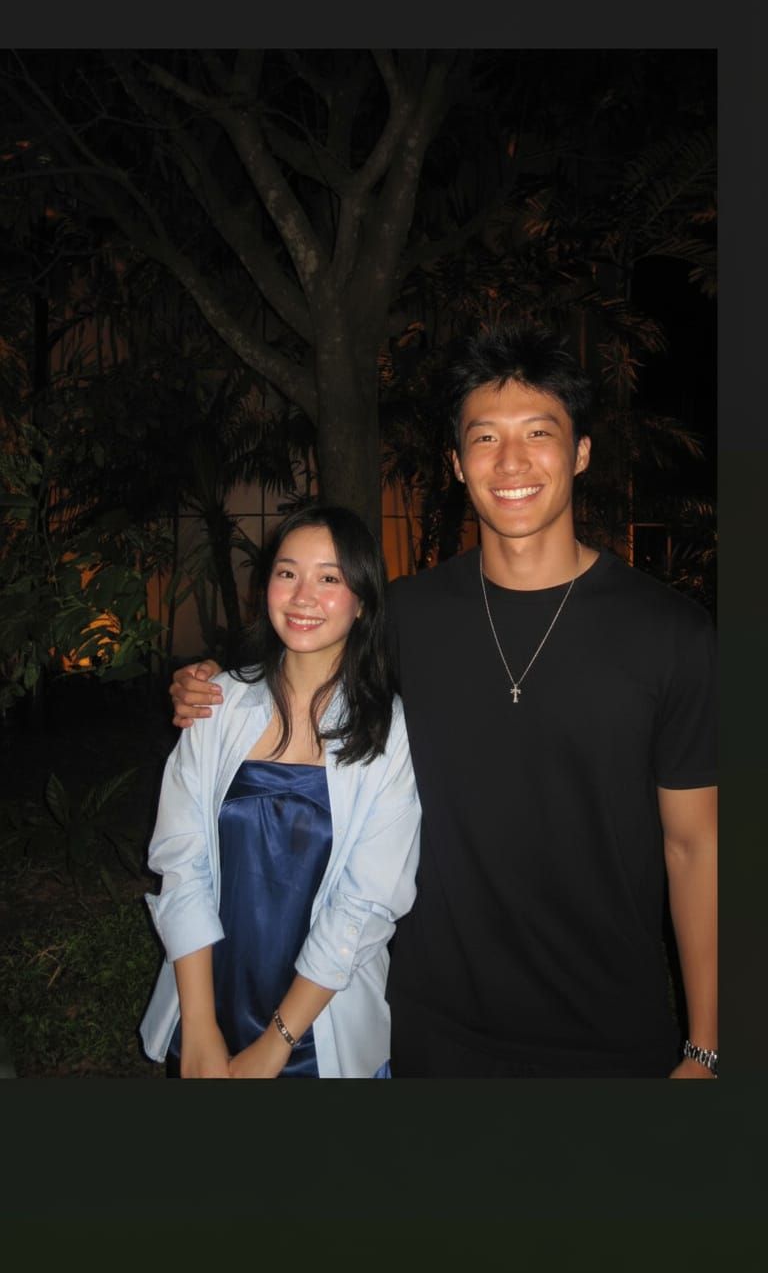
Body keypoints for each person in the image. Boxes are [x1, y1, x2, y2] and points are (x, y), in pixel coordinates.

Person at [169, 324, 717, 1080]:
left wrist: (707, 1043)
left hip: (610, 1030)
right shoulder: (406, 616)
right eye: (485, 438)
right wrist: (206, 684)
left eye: (539, 433)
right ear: (457, 464)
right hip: (431, 1024)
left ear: (581, 452)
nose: (511, 461)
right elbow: (296, 672)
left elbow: (696, 848)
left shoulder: (672, 634)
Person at [140, 503, 421, 1078]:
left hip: (321, 1020)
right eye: (287, 572)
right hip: (206, 996)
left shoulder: (389, 732)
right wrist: (200, 1026)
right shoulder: (217, 704)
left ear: (363, 600)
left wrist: (277, 1043)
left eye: (329, 578)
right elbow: (182, 862)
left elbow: (366, 902)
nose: (302, 596)